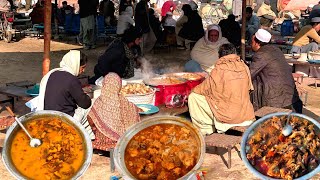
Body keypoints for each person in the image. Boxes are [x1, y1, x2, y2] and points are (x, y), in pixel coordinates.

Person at [188, 44, 255, 135]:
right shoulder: (245, 67)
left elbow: (201, 90)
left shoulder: (219, 69)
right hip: (247, 115)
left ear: (219, 56)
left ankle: (206, 129)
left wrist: (190, 90)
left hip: (229, 118)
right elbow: (249, 89)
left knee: (193, 97)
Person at [31, 50, 94, 138]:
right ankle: (87, 138)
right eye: (82, 67)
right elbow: (85, 104)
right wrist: (87, 95)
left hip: (45, 115)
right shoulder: (72, 80)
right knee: (89, 107)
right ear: (75, 65)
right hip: (64, 119)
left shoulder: (51, 73)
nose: (83, 70)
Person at [250, 29, 302, 113]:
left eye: (251, 42)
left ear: (257, 43)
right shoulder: (276, 50)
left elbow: (249, 74)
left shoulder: (261, 55)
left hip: (276, 101)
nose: (251, 45)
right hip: (291, 97)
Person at [87, 73, 140, 150]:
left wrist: (97, 129)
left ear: (104, 84)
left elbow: (90, 118)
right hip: (123, 140)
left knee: (98, 129)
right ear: (119, 86)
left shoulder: (99, 101)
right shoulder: (123, 100)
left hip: (103, 141)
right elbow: (134, 110)